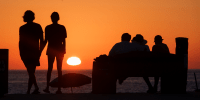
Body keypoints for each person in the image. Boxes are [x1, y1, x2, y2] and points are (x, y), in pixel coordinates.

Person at [19, 10, 44, 94]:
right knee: (31, 72)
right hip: (34, 52)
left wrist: (21, 53)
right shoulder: (38, 26)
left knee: (30, 72)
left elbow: (21, 42)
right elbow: (42, 41)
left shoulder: (22, 28)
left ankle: (35, 87)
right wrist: (40, 51)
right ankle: (29, 91)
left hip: (26, 52)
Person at [43, 12, 67, 94]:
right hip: (58, 49)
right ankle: (58, 88)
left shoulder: (48, 28)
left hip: (52, 49)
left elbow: (45, 41)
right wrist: (64, 50)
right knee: (58, 69)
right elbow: (64, 41)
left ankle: (49, 87)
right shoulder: (61, 27)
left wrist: (40, 50)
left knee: (51, 68)